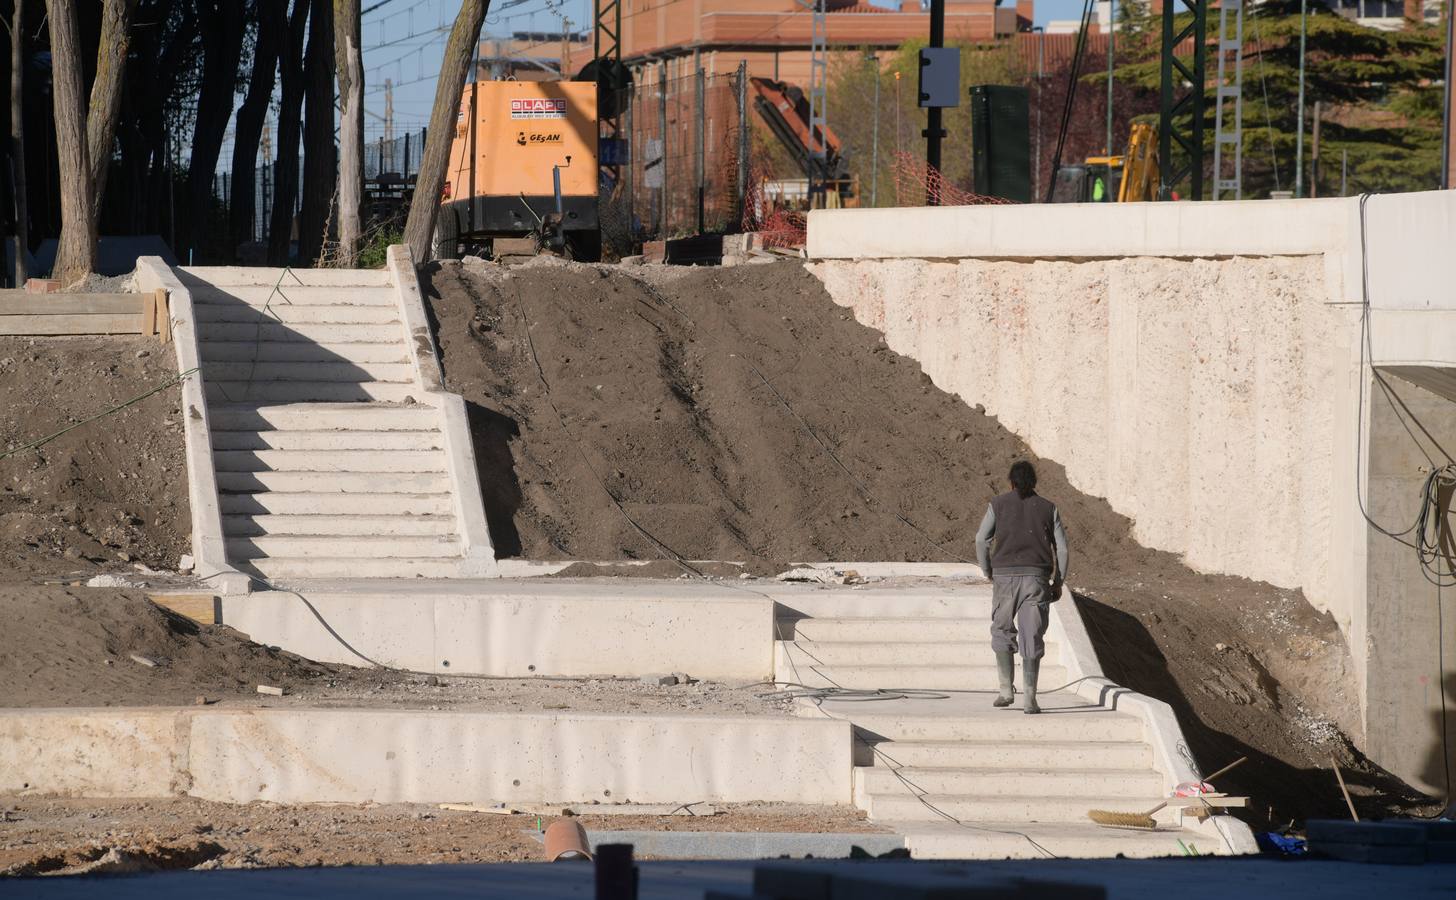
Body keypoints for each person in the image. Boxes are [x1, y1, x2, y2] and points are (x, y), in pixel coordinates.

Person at [974, 461, 1069, 714]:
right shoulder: (1049, 508)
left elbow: (981, 539)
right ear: (1034, 482)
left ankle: (1006, 690)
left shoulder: (998, 504)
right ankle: (1030, 698)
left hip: (1004, 577)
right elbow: (1062, 548)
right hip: (1037, 579)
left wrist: (987, 570)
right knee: (1032, 634)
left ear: (1011, 482)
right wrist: (1058, 581)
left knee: (1002, 629)